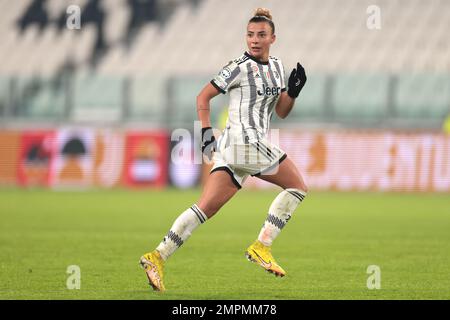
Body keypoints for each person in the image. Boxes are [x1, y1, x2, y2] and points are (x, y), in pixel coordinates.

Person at [140, 7, 308, 292]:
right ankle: (261, 247)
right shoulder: (238, 67)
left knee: (205, 208)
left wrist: (292, 92)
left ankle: (157, 256)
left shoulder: (278, 67)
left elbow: (281, 111)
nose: (254, 40)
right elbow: (203, 96)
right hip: (245, 142)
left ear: (273, 38)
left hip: (236, 150)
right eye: (250, 34)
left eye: (261, 35)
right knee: (298, 187)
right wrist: (206, 134)